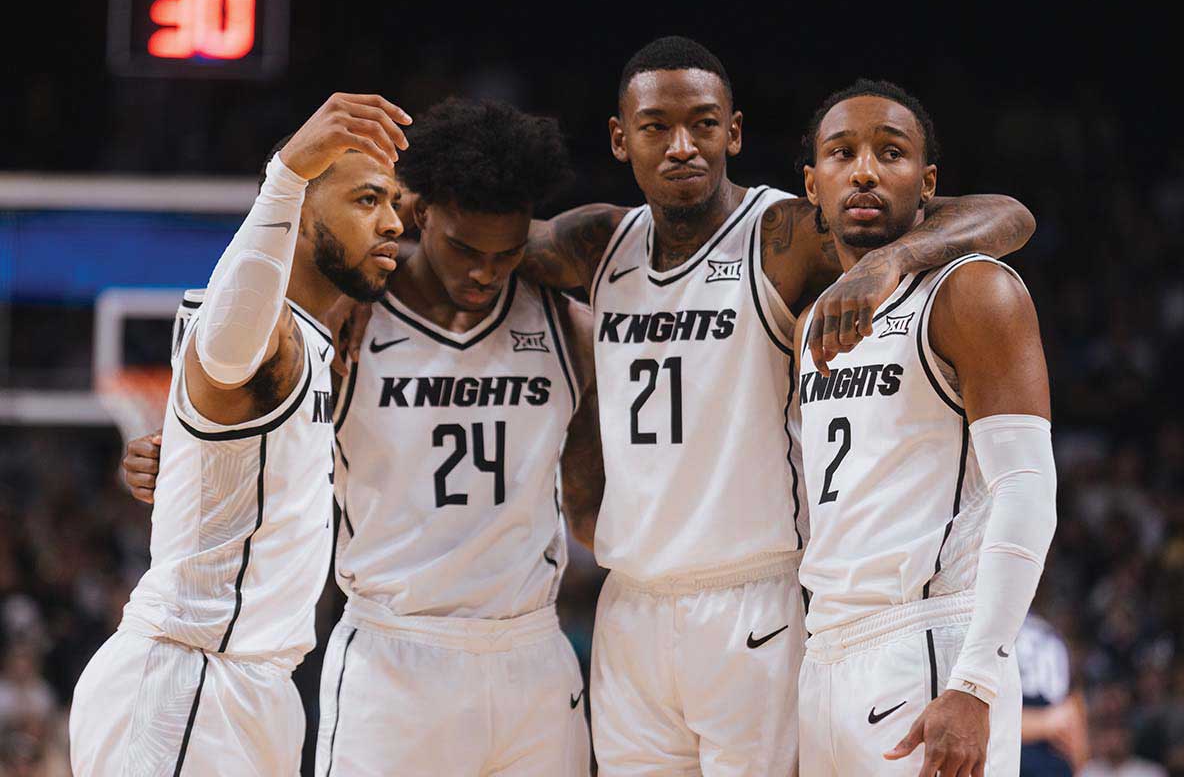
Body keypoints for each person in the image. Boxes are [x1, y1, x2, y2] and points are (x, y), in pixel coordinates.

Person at [512, 37, 1036, 775]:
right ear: (619, 137)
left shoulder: (784, 233)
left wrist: (891, 260)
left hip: (755, 600)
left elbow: (1003, 215)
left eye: (702, 124)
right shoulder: (599, 243)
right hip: (629, 602)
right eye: (657, 127)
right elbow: (486, 241)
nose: (681, 146)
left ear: (734, 131)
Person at [123, 98, 601, 776]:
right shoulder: (351, 319)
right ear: (420, 213)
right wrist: (171, 453)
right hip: (391, 647)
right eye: (464, 248)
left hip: (530, 645)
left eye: (506, 254)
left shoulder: (565, 327)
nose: (484, 272)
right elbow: (245, 411)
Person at [71, 93, 412, 776]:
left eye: (396, 202)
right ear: (304, 213)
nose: (393, 221)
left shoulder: (315, 341)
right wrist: (285, 175)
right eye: (367, 199)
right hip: (191, 676)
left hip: (257, 685)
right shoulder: (264, 336)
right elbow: (228, 350)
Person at [793, 79, 1056, 776]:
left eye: (892, 152)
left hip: (927, 644)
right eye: (842, 152)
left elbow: (1028, 493)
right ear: (812, 184)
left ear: (928, 182)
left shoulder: (972, 290)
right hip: (825, 655)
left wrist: (975, 684)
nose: (866, 170)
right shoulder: (810, 322)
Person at [1018, 612, 1088, 775]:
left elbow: (1074, 713)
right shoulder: (1052, 634)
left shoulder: (1052, 635)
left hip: (1047, 762)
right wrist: (1045, 722)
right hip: (1010, 759)